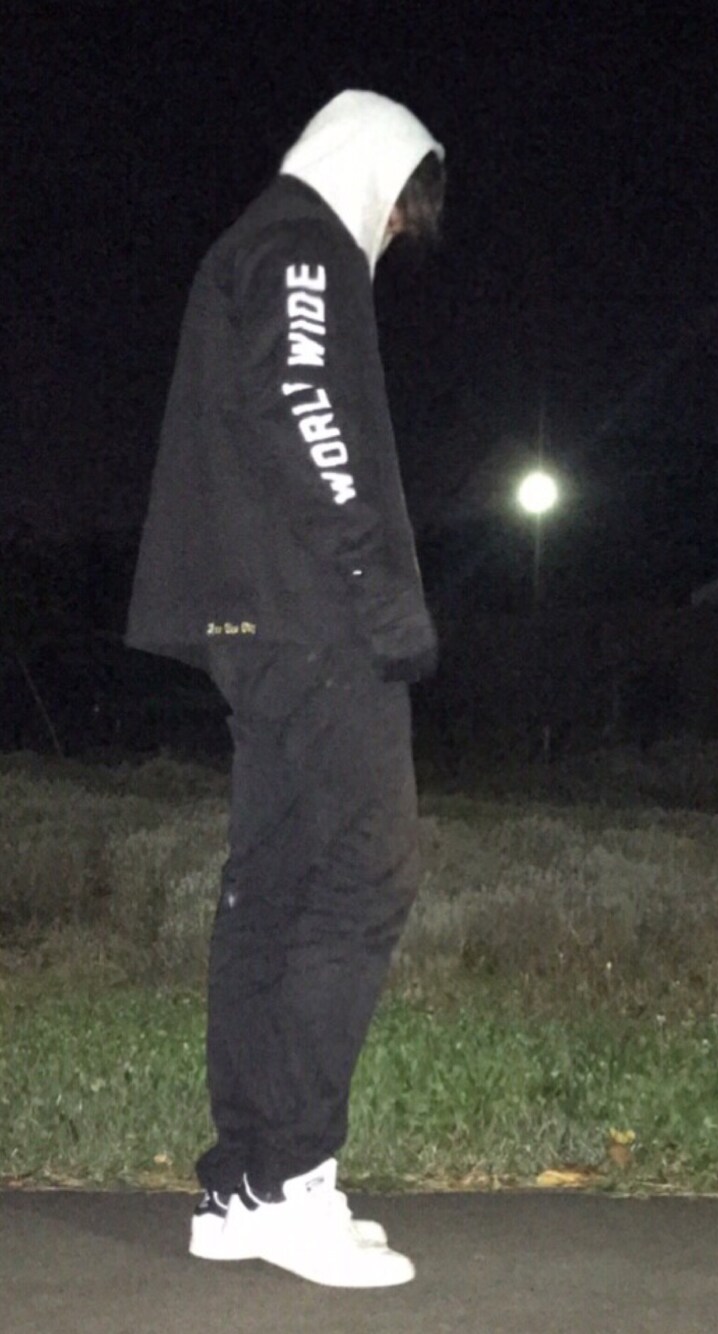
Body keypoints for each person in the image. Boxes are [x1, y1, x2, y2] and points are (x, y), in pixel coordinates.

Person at [126, 90, 445, 1288]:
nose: (395, 238)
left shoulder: (255, 245)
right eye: (400, 214)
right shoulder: (302, 244)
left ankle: (242, 1187)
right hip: (315, 621)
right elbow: (307, 406)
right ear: (373, 171)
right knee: (367, 873)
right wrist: (380, 590)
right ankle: (292, 1174)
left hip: (262, 621)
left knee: (270, 892)